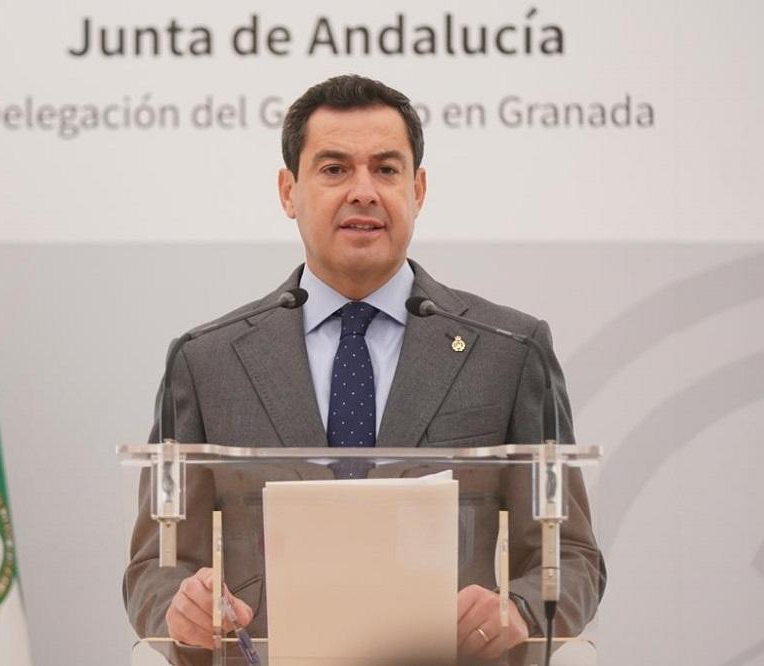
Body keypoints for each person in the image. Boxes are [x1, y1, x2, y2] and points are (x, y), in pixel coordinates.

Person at [125, 75, 603, 664]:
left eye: (386, 169)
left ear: (417, 189)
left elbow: (570, 555)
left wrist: (520, 609)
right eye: (334, 169)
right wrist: (182, 608)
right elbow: (157, 566)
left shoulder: (508, 349)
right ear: (288, 191)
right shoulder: (207, 360)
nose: (364, 192)